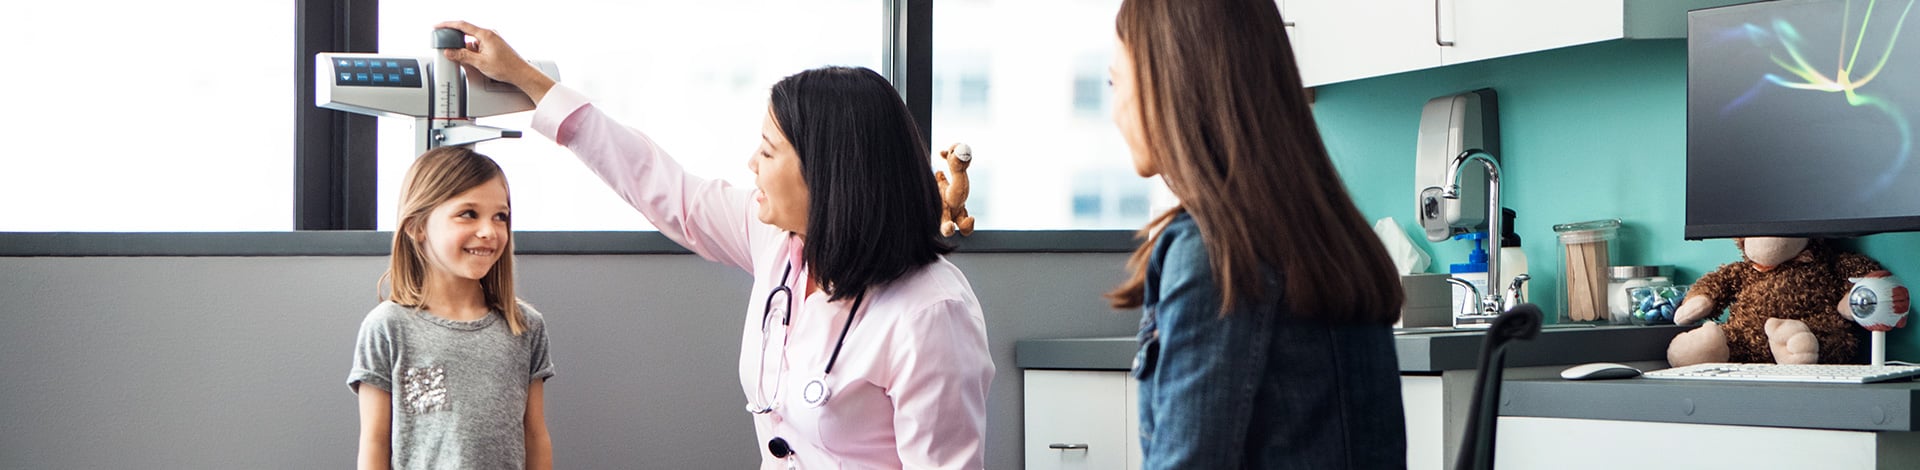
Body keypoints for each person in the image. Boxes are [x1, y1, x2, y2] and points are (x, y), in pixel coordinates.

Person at [434, 21, 994, 469]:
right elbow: (662, 187)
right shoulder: (781, 243)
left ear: (827, 175)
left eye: (769, 151)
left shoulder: (931, 313)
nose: (752, 164)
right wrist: (530, 82)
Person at [1103, 0, 1409, 468]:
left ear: (1166, 80)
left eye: (1114, 81)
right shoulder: (1328, 234)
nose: (1113, 110)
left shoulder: (1215, 250)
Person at [348, 146, 556, 470]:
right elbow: (375, 443)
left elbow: (535, 436)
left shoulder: (525, 327)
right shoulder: (387, 327)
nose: (489, 231)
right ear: (417, 226)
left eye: (500, 216)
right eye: (469, 214)